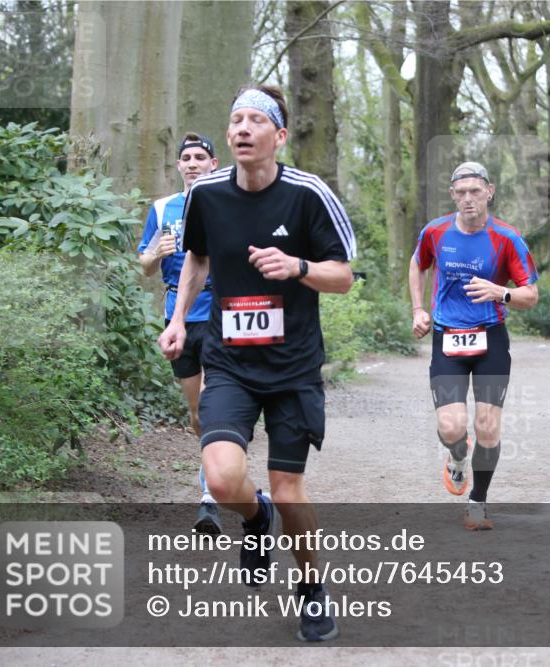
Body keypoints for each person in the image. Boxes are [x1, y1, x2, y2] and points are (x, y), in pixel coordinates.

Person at [158, 84, 356, 642]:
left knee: (290, 489)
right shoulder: (207, 195)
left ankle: (313, 588)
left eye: (255, 120)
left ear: (279, 136)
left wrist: (296, 266)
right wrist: (177, 321)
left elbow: (342, 276)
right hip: (229, 362)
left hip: (293, 367)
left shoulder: (308, 194)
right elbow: (196, 257)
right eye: (235, 119)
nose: (242, 128)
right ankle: (254, 517)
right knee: (222, 480)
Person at [409, 161, 539, 530]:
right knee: (452, 428)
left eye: (475, 191)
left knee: (487, 427)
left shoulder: (507, 238)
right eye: (461, 192)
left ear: (489, 192)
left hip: (491, 339)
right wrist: (419, 309)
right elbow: (418, 265)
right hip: (447, 338)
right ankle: (457, 457)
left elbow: (531, 294)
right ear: (453, 195)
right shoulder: (435, 232)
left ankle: (478, 503)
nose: (468, 199)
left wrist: (502, 292)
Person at [137, 132, 222, 536]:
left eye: (199, 157)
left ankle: (210, 498)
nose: (191, 163)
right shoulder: (162, 208)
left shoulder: (227, 202)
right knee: (196, 415)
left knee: (211, 407)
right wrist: (158, 253)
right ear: (178, 165)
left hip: (221, 312)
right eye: (185, 157)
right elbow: (144, 264)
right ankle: (215, 450)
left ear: (213, 163)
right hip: (179, 317)